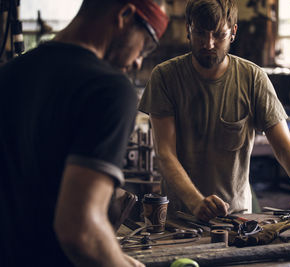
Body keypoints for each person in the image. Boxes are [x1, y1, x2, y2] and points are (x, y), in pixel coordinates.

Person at [139, 0, 290, 222]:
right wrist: (196, 202)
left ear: (233, 32)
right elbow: (165, 153)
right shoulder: (165, 77)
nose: (208, 43)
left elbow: (283, 147)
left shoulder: (252, 79)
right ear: (188, 29)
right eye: (200, 33)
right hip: (179, 218)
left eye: (218, 35)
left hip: (236, 219)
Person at [0, 0, 168, 266]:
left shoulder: (9, 75)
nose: (138, 62)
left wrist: (111, 254)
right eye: (144, 46)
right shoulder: (109, 89)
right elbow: (80, 231)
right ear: (124, 14)